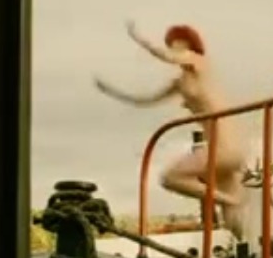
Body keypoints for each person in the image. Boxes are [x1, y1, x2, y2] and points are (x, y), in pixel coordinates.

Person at [95, 21, 250, 240]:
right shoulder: (180, 82)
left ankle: (231, 200)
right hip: (218, 144)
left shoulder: (198, 61)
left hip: (227, 143)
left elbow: (167, 56)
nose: (172, 47)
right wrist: (113, 92)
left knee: (170, 177)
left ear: (187, 43)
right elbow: (145, 100)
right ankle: (252, 251)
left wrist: (140, 39)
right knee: (233, 219)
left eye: (175, 42)